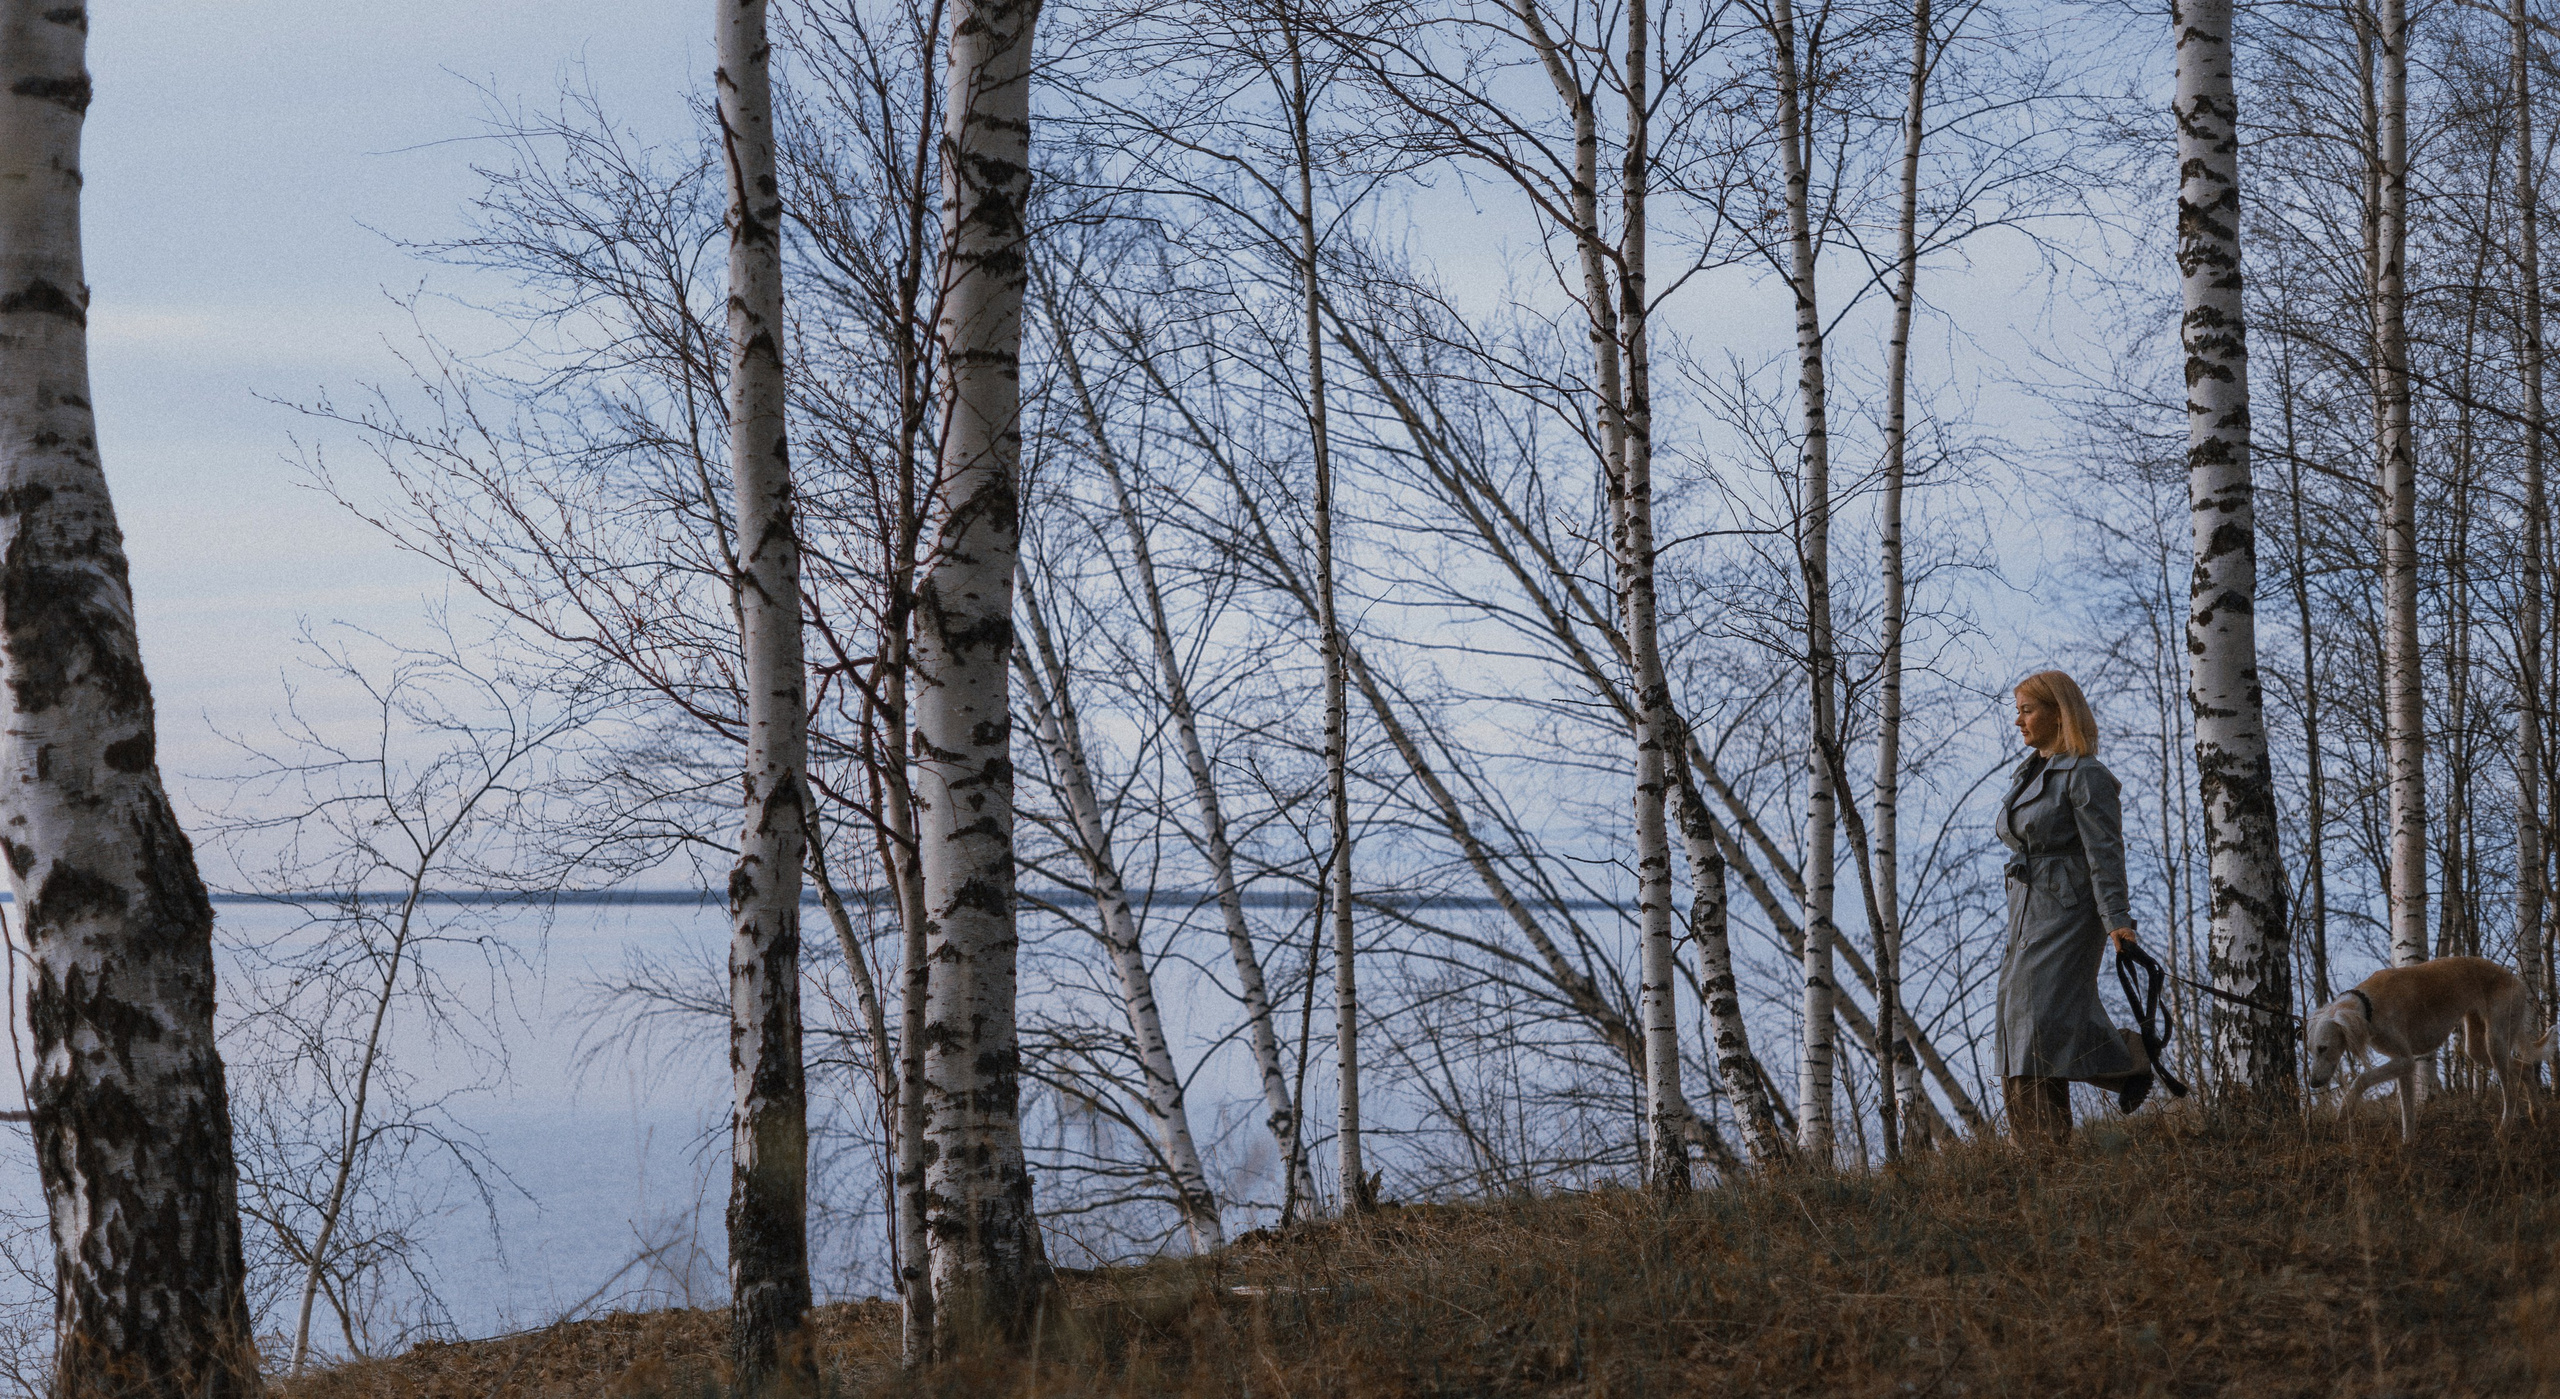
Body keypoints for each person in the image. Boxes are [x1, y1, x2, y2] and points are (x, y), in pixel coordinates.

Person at [1995, 670, 2153, 1146]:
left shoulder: (2087, 776)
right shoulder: (2029, 773)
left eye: (2027, 710)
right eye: (2018, 710)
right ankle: (2128, 1067)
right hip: (2025, 912)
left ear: (2059, 712)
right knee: (2017, 1022)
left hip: (2068, 914)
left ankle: (2042, 1154)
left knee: (2034, 1024)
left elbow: (2106, 855)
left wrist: (2118, 922)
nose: (2018, 721)